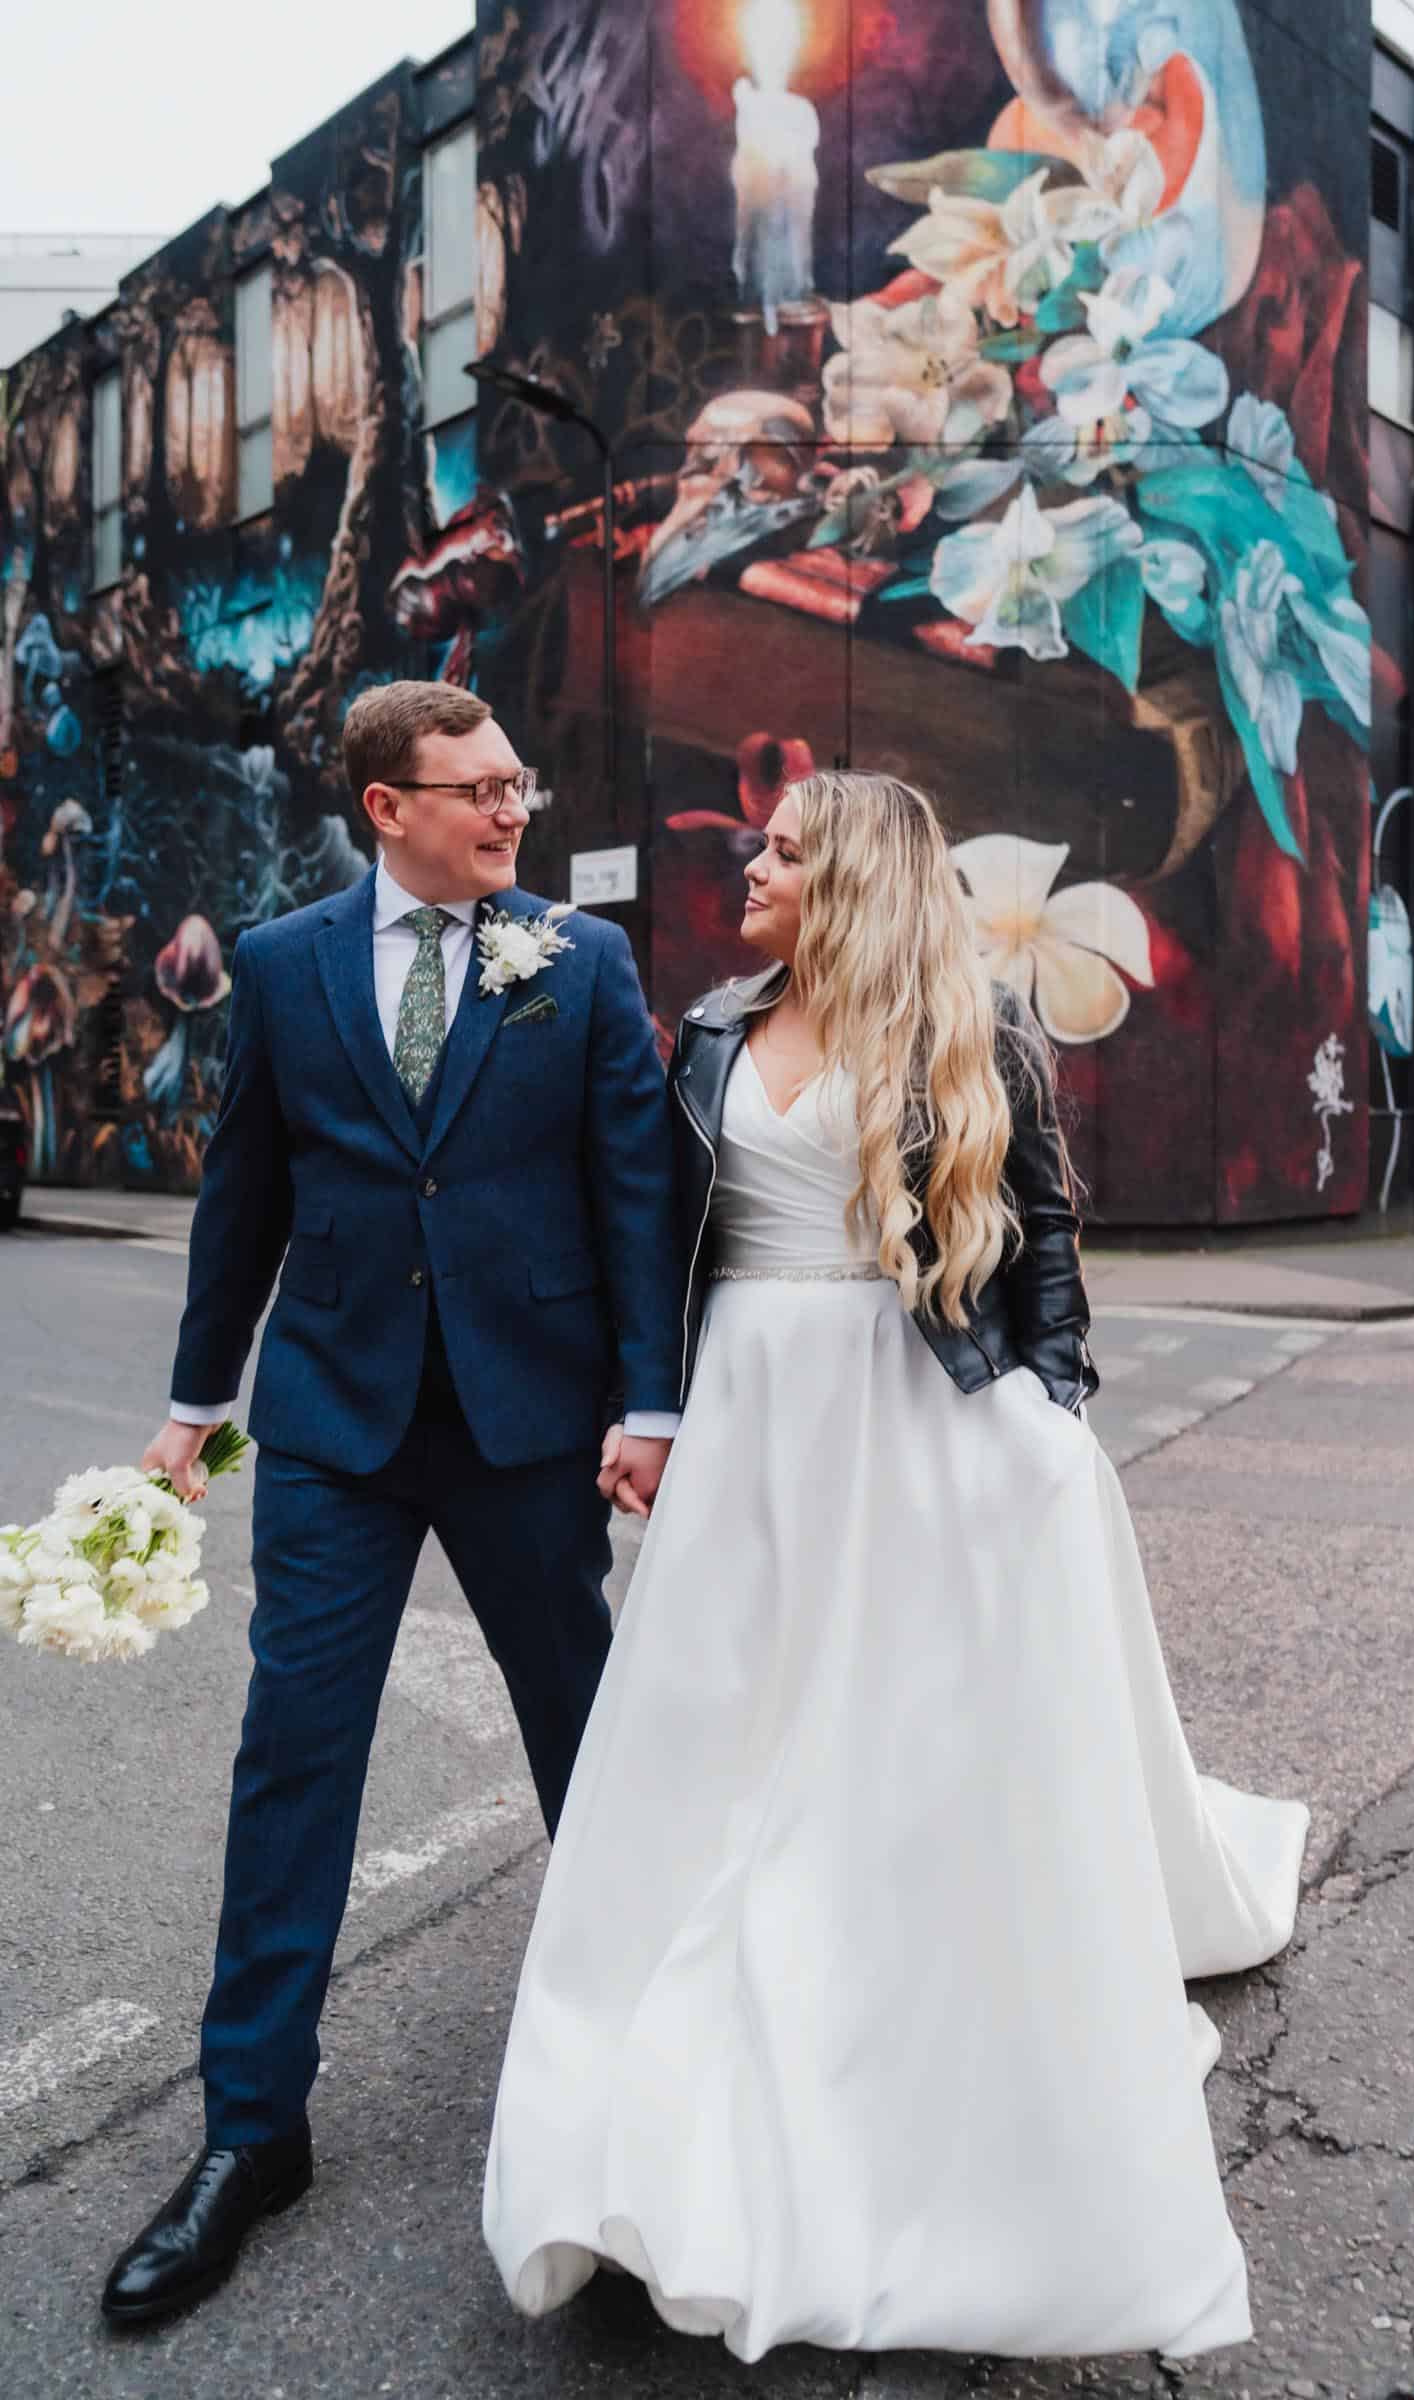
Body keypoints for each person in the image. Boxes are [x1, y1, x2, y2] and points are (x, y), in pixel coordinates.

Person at [483, 769, 1309, 2364]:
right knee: (721, 1727)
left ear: (854, 878)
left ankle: (877, 2028)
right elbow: (661, 1235)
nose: (753, 866)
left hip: (916, 1406)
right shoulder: (710, 1030)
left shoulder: (968, 1031)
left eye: (786, 852)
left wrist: (1050, 1406)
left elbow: (1042, 1231)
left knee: (898, 1739)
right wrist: (650, 1411)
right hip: (749, 1410)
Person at [102, 681, 684, 2326]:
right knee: (293, 1752)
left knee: (585, 1743)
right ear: (386, 807)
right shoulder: (284, 964)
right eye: (477, 787)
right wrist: (195, 1406)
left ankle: (648, 2094)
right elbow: (245, 1194)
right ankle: (249, 2133)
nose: (511, 809)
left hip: (528, 1420)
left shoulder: (578, 960)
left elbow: (634, 1192)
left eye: (517, 782)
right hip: (332, 1423)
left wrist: (651, 1404)